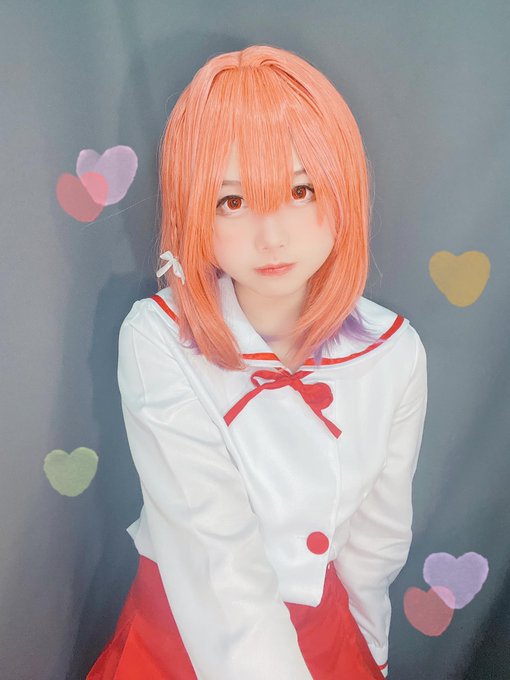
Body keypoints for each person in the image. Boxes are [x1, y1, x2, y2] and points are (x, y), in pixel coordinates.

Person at [87, 44, 428, 679]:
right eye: (233, 202)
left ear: (342, 188)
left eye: (300, 190)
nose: (272, 236)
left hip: (326, 641)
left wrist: (371, 659)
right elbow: (212, 548)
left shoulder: (393, 350)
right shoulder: (157, 337)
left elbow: (376, 546)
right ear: (194, 212)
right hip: (183, 638)